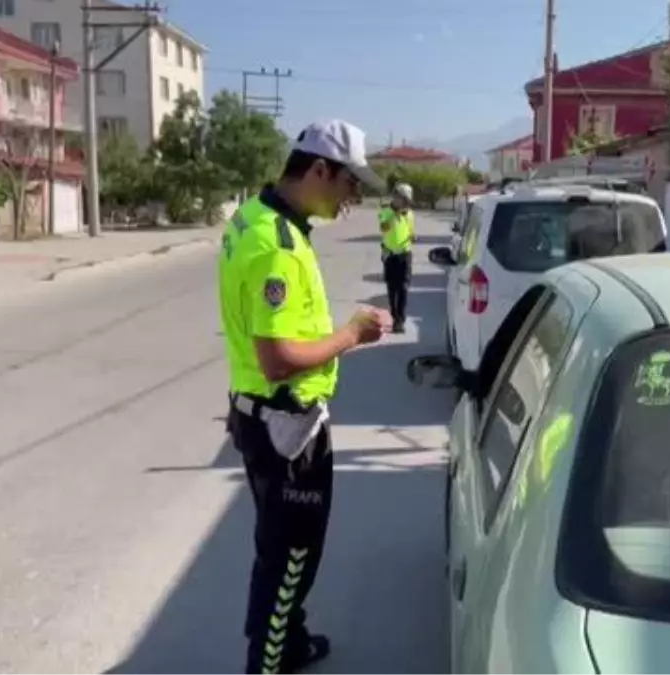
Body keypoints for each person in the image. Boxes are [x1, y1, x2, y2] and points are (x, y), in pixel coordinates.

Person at [217, 119, 391, 675]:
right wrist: (352, 336)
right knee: (291, 558)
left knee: (277, 550)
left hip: (260, 415)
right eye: (349, 183)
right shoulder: (280, 248)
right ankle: (268, 662)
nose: (352, 197)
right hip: (288, 429)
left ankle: (285, 642)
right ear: (319, 169)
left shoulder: (253, 219)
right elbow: (278, 358)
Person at [378, 183, 415, 333]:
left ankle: (400, 320)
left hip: (405, 254)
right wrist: (395, 215)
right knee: (392, 288)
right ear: (396, 197)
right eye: (403, 199)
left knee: (404, 288)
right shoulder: (386, 212)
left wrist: (412, 236)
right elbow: (383, 228)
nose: (406, 203)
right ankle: (394, 315)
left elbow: (411, 231)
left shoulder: (410, 214)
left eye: (408, 200)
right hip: (390, 254)